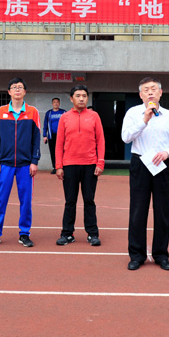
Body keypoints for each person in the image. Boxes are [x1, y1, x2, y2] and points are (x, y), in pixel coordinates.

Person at [121, 77, 169, 271]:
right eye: (146, 89)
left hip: (161, 164)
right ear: (140, 95)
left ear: (160, 93)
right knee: (138, 211)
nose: (150, 92)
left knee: (162, 211)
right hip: (140, 163)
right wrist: (144, 120)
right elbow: (126, 137)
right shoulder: (133, 113)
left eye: (154, 89)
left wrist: (167, 153)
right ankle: (137, 255)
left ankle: (161, 254)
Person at [0, 77, 41, 248]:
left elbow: (36, 139)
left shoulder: (32, 112)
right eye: (14, 87)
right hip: (5, 164)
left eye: (20, 87)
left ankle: (24, 234)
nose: (17, 89)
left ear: (25, 92)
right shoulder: (1, 112)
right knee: (0, 200)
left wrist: (34, 161)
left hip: (25, 165)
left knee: (26, 201)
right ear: (9, 91)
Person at [55, 85, 105, 246]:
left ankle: (92, 234)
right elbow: (59, 143)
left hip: (90, 164)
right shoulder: (64, 117)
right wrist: (59, 165)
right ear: (71, 99)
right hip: (69, 165)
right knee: (70, 201)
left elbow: (101, 140)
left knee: (89, 200)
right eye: (78, 96)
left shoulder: (94, 116)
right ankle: (67, 233)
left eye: (84, 96)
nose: (81, 98)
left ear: (87, 98)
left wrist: (100, 162)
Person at [43, 97, 65, 174]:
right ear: (52, 104)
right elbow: (45, 125)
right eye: (54, 102)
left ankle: (62, 166)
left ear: (59, 103)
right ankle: (55, 167)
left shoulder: (63, 112)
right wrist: (44, 135)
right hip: (51, 135)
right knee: (53, 151)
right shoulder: (49, 113)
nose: (56, 103)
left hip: (62, 135)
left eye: (57, 102)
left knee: (62, 151)